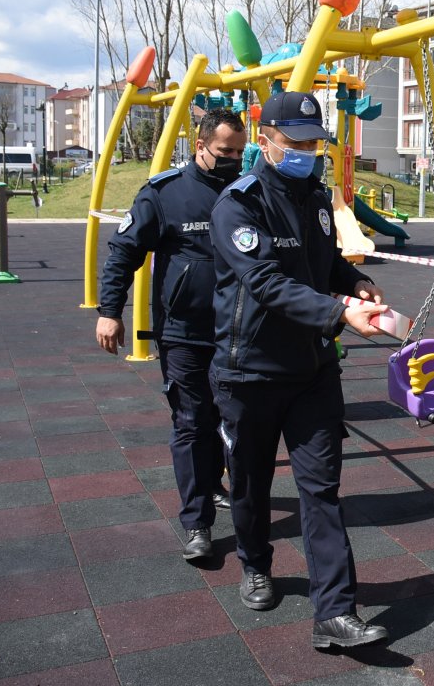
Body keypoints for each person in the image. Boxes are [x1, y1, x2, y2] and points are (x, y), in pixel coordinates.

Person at [208, 90, 390, 650]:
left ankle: (335, 613)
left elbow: (321, 260)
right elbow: (264, 281)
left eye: (316, 144)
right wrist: (339, 313)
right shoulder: (238, 205)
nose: (310, 152)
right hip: (250, 372)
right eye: (298, 143)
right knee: (250, 484)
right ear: (266, 142)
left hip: (311, 370)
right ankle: (256, 563)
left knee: (322, 491)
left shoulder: (315, 197)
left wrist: (351, 282)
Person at [96, 109, 248, 558]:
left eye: (240, 152)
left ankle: (220, 489)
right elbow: (124, 251)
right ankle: (197, 523)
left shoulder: (246, 192)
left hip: (239, 332)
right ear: (200, 146)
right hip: (185, 331)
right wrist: (110, 312)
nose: (233, 160)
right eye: (225, 152)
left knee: (237, 422)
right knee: (192, 422)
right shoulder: (165, 194)